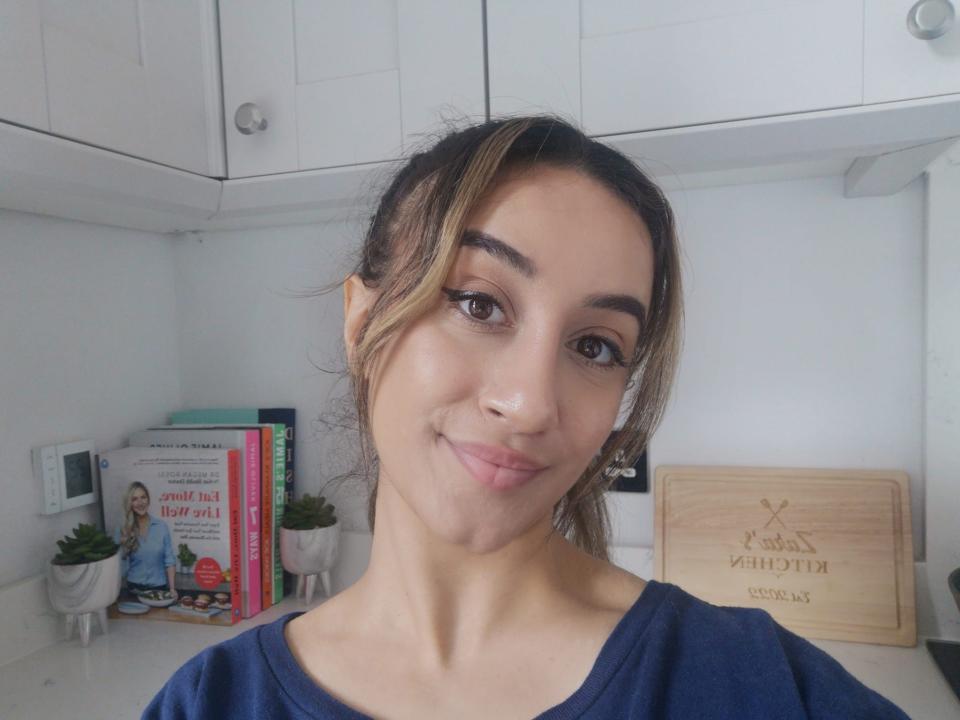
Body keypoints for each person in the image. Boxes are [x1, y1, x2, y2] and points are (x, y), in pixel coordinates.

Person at [143, 116, 910, 719]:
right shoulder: (210, 703)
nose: (533, 402)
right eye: (478, 303)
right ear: (361, 322)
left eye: (594, 346)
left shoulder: (758, 685)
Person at [116, 481, 176, 597]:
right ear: (130, 503)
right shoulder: (123, 530)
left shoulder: (161, 527)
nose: (140, 503)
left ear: (148, 499)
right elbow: (119, 570)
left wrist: (172, 589)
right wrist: (123, 546)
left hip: (159, 590)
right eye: (134, 499)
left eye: (143, 497)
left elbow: (170, 560)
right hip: (134, 590)